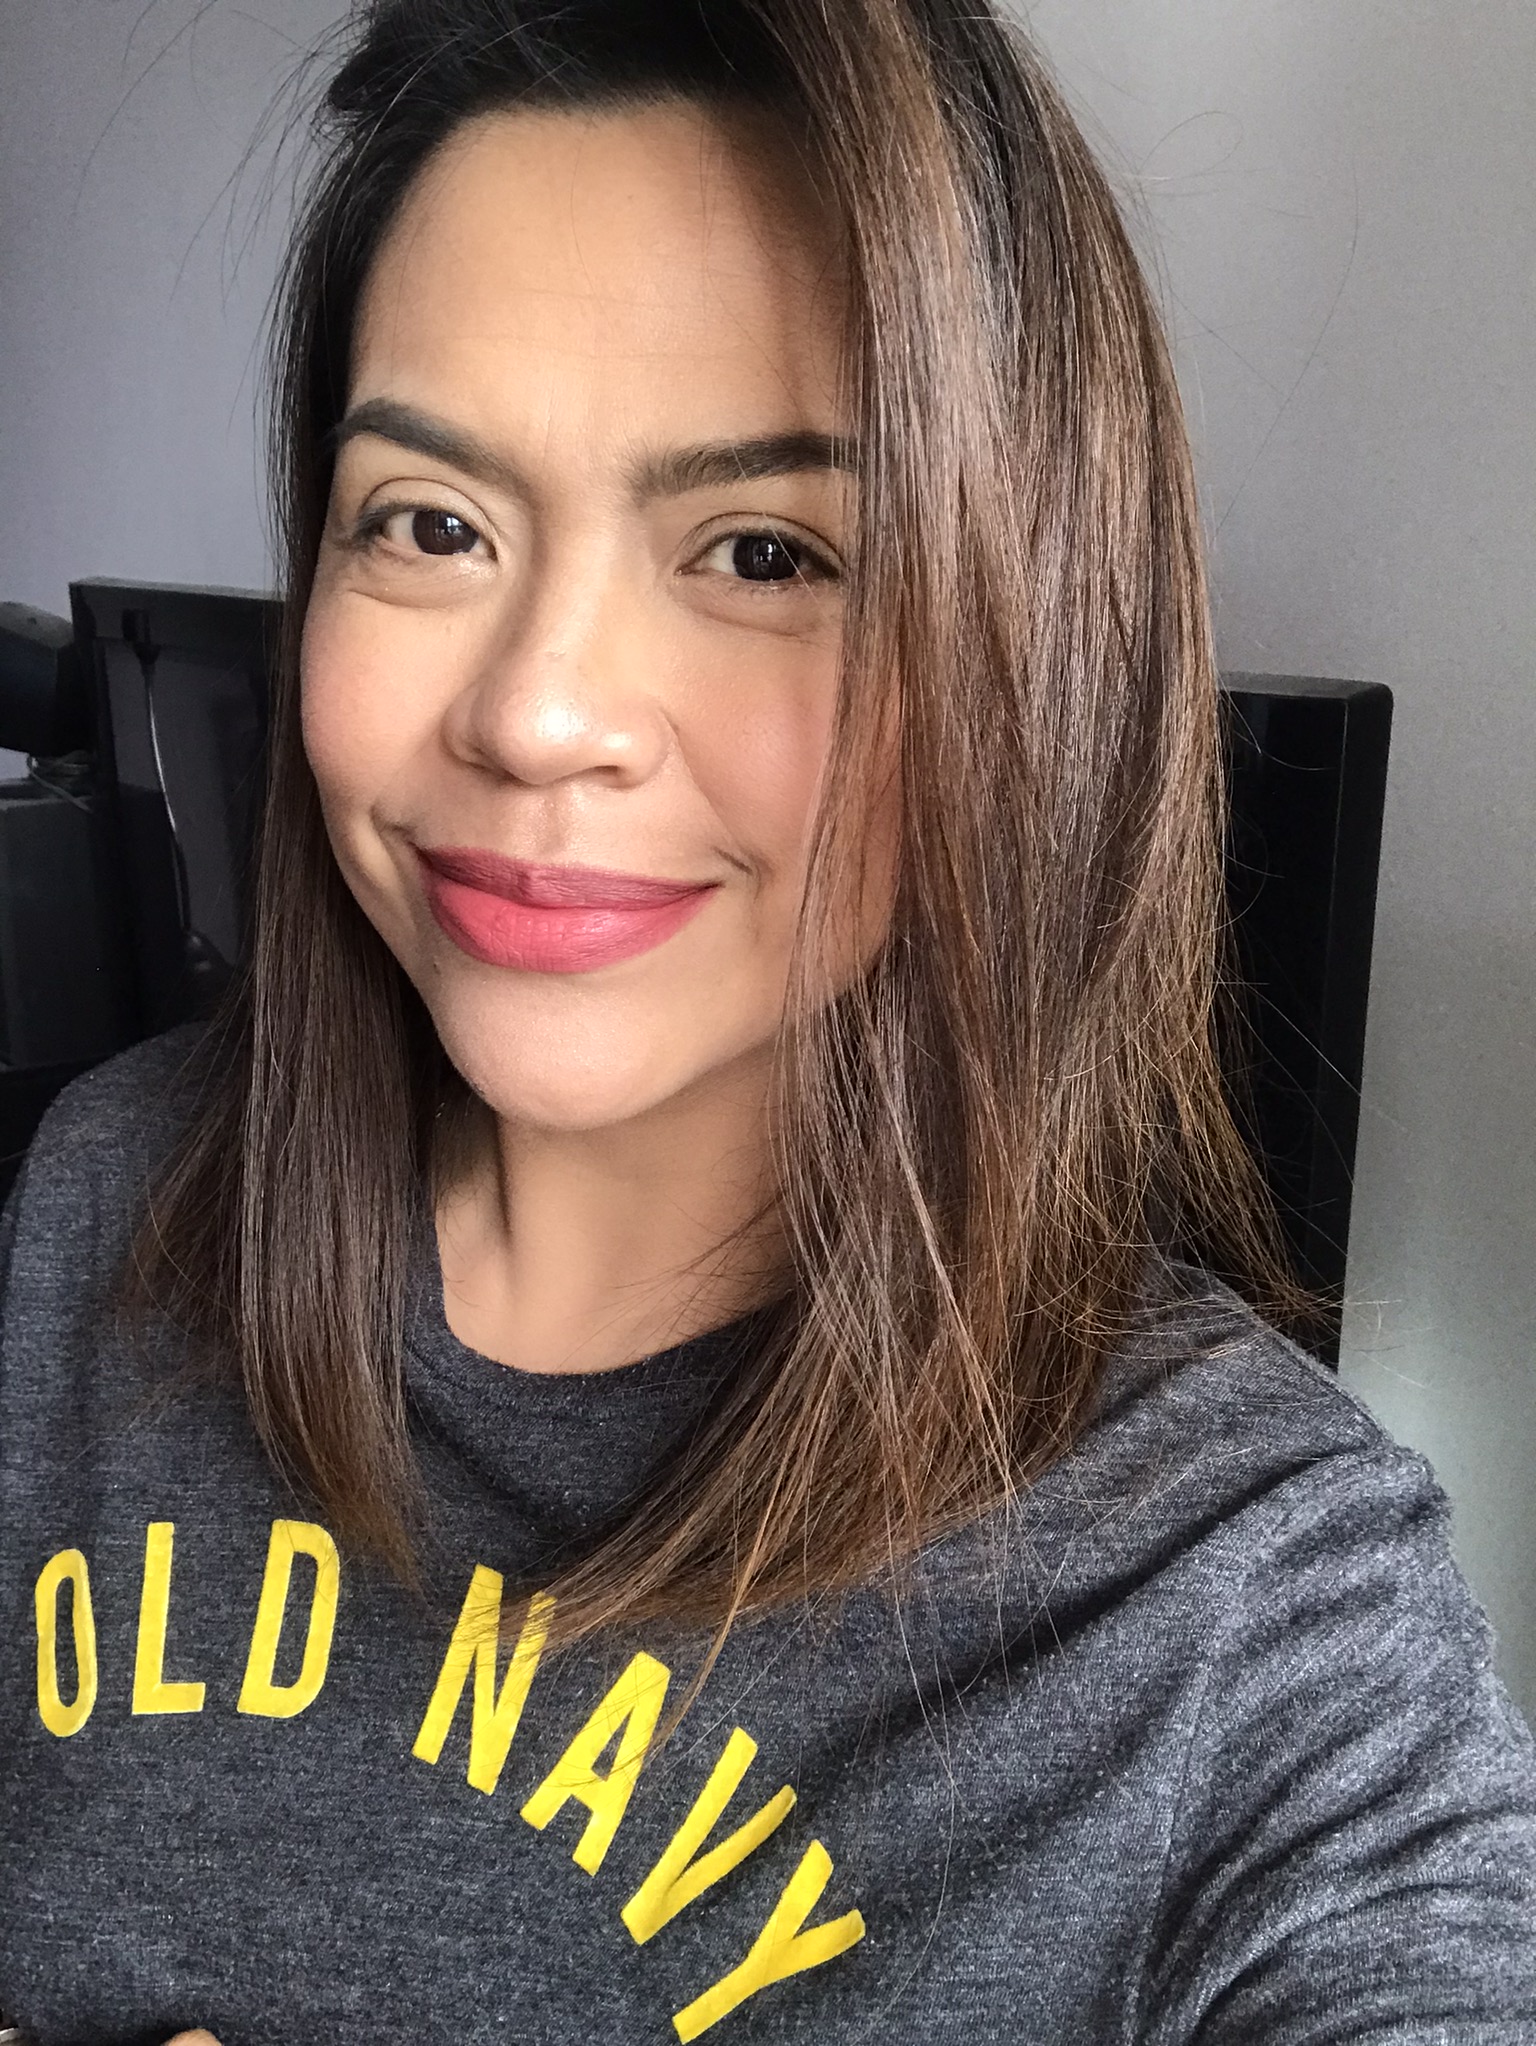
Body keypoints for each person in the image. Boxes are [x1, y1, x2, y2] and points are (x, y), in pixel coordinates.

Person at [2, 0, 1534, 2040]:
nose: (538, 709)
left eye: (764, 551)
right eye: (433, 523)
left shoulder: (1245, 1614)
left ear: (1028, 652)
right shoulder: (108, 1199)